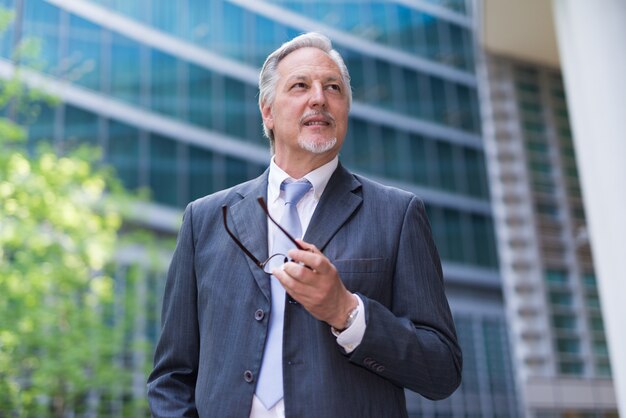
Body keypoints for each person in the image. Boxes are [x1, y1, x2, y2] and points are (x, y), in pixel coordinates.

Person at [147, 32, 461, 418]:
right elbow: (172, 376)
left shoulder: (398, 214)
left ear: (345, 109)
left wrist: (347, 311)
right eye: (300, 86)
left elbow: (442, 370)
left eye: (333, 88)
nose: (319, 98)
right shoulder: (205, 219)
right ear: (268, 112)